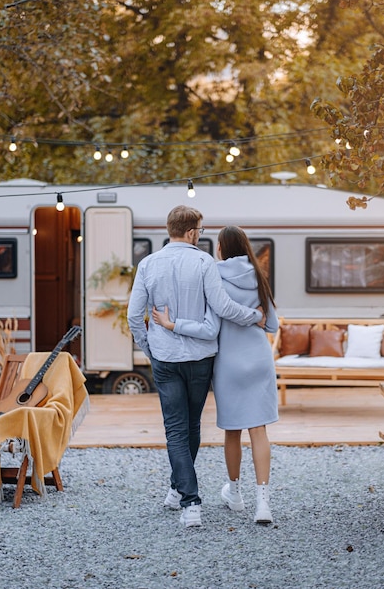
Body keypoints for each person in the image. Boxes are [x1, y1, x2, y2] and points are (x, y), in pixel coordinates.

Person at [127, 206, 266, 529]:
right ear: (191, 233)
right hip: (201, 359)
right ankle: (188, 497)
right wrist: (254, 317)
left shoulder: (148, 264)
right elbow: (222, 308)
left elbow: (135, 316)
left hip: (166, 358)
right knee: (190, 426)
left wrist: (151, 349)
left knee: (177, 428)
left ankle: (182, 494)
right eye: (200, 231)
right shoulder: (205, 263)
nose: (200, 236)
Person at [152, 225, 279, 524]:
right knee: (259, 430)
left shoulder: (214, 274)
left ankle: (234, 493)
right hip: (259, 359)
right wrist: (255, 317)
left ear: (221, 248)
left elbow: (210, 325)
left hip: (228, 364)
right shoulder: (259, 275)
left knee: (233, 430)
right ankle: (263, 505)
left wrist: (173, 325)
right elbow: (270, 324)